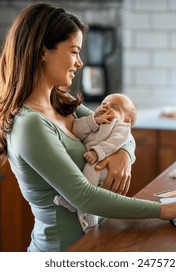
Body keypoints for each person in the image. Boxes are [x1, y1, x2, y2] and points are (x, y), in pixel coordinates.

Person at [0, 2, 176, 252]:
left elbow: (121, 128)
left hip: (94, 244)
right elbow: (85, 197)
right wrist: (160, 210)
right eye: (74, 51)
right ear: (43, 51)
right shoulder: (30, 124)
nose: (80, 63)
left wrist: (123, 154)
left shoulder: (63, 105)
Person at [54, 93, 137, 232]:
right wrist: (95, 121)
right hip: (95, 159)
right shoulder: (95, 120)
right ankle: (74, 202)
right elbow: (76, 129)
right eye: (104, 103)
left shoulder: (121, 127)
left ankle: (89, 218)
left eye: (115, 107)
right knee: (88, 176)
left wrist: (96, 153)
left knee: (92, 173)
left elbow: (114, 142)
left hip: (104, 164)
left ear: (126, 120)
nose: (106, 106)